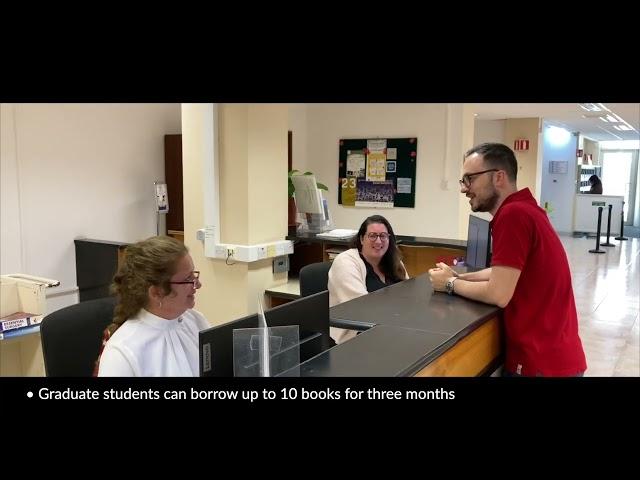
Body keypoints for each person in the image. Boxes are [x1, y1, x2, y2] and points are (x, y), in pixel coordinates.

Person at [428, 143, 586, 377]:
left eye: (469, 179)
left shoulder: (513, 215)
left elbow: (498, 294)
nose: (464, 189)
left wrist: (449, 285)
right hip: (557, 355)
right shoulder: (526, 209)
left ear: (498, 177)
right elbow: (503, 272)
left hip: (539, 362)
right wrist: (459, 276)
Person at [96, 236, 210, 376]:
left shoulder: (196, 320)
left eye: (194, 275)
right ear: (156, 292)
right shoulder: (122, 352)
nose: (197, 285)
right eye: (188, 279)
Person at [328, 215, 408, 344]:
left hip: (388, 328)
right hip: (355, 336)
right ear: (361, 239)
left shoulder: (395, 262)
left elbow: (408, 297)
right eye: (372, 236)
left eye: (383, 236)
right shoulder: (346, 262)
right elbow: (362, 308)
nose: (378, 241)